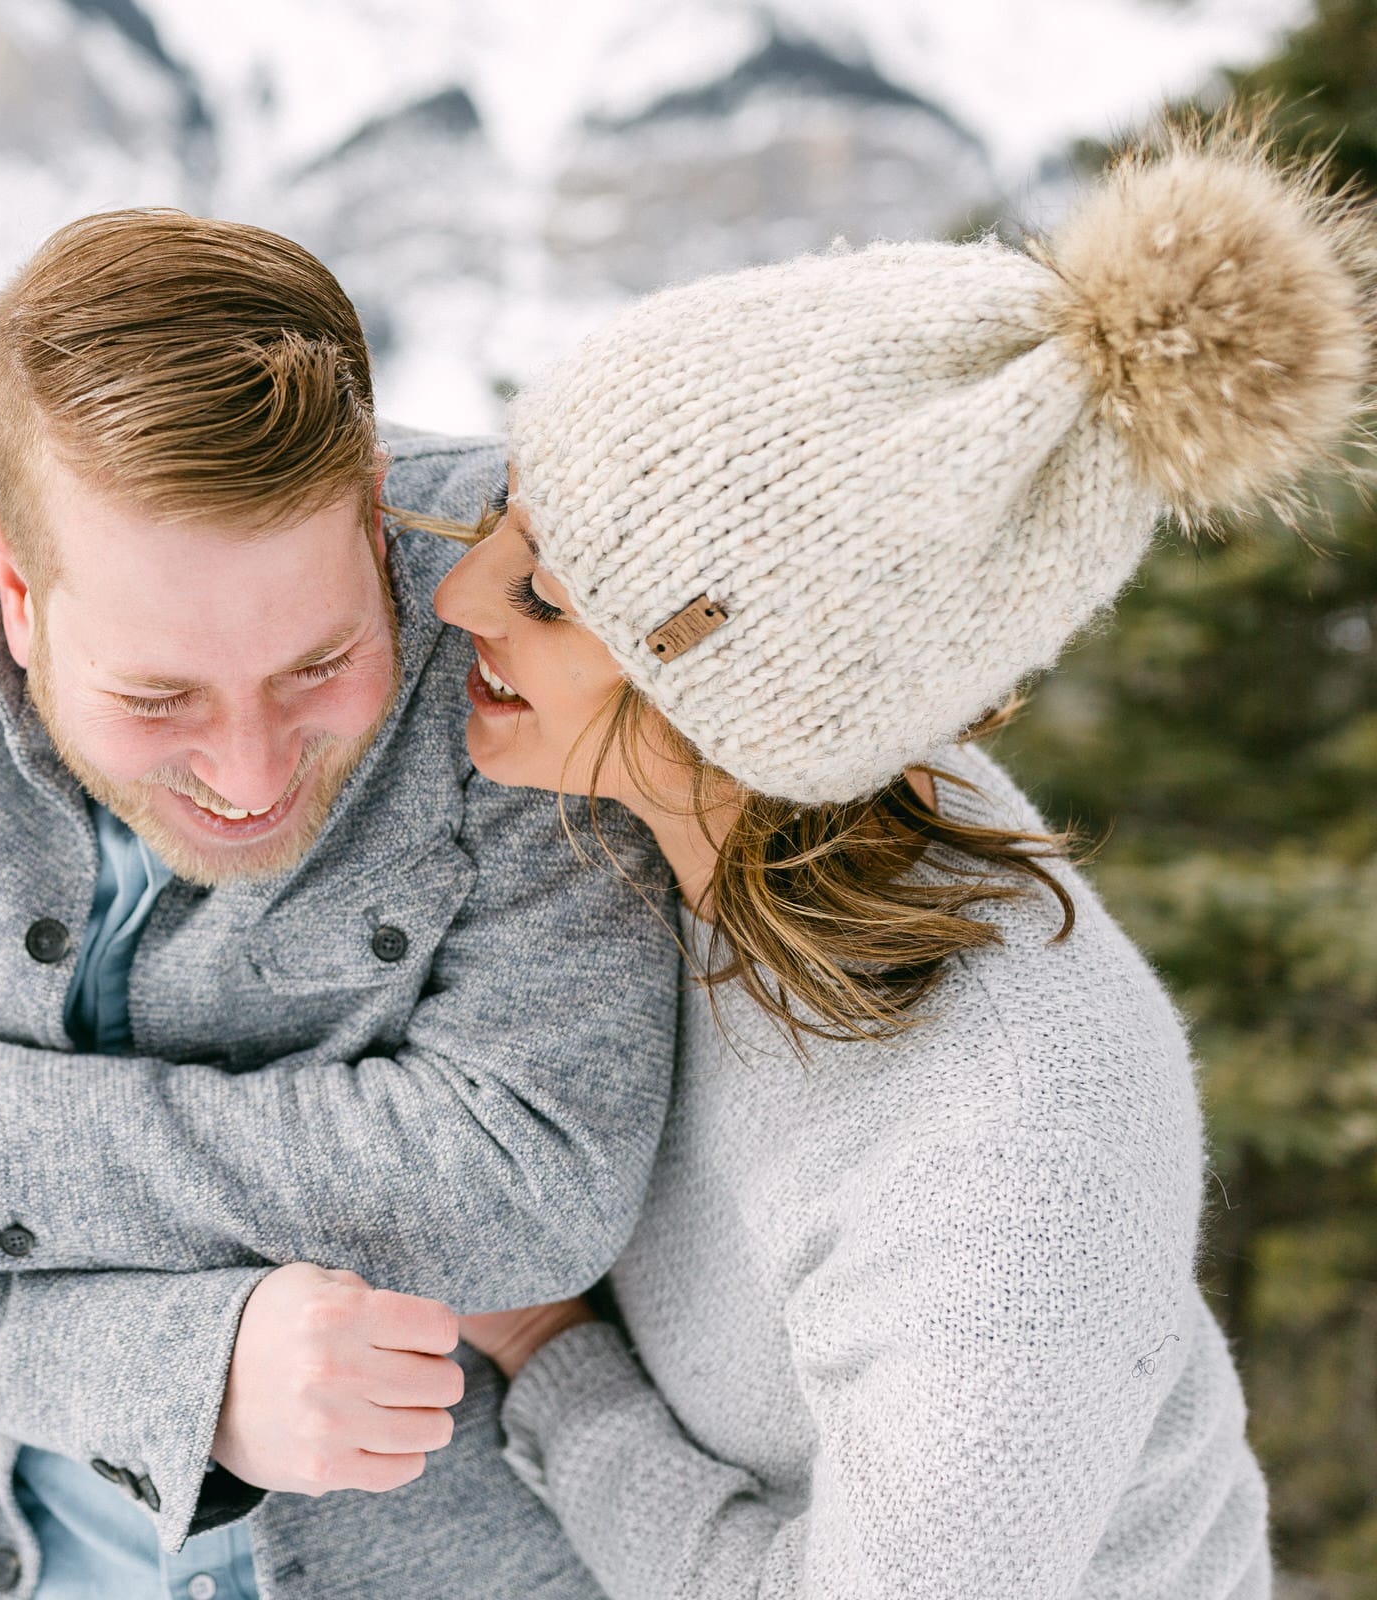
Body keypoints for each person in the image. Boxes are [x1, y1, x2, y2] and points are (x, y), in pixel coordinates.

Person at [214, 127, 1366, 1598]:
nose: (459, 597)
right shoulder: (730, 815)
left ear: (746, 704)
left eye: (548, 598)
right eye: (503, 523)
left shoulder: (1010, 1155)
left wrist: (558, 1366)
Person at [0, 209, 680, 1599]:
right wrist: (188, 1374)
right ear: (20, 597)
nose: (253, 774)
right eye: (160, 699)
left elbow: (533, 1179)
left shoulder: (517, 612)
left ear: (376, 506)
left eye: (320, 664)